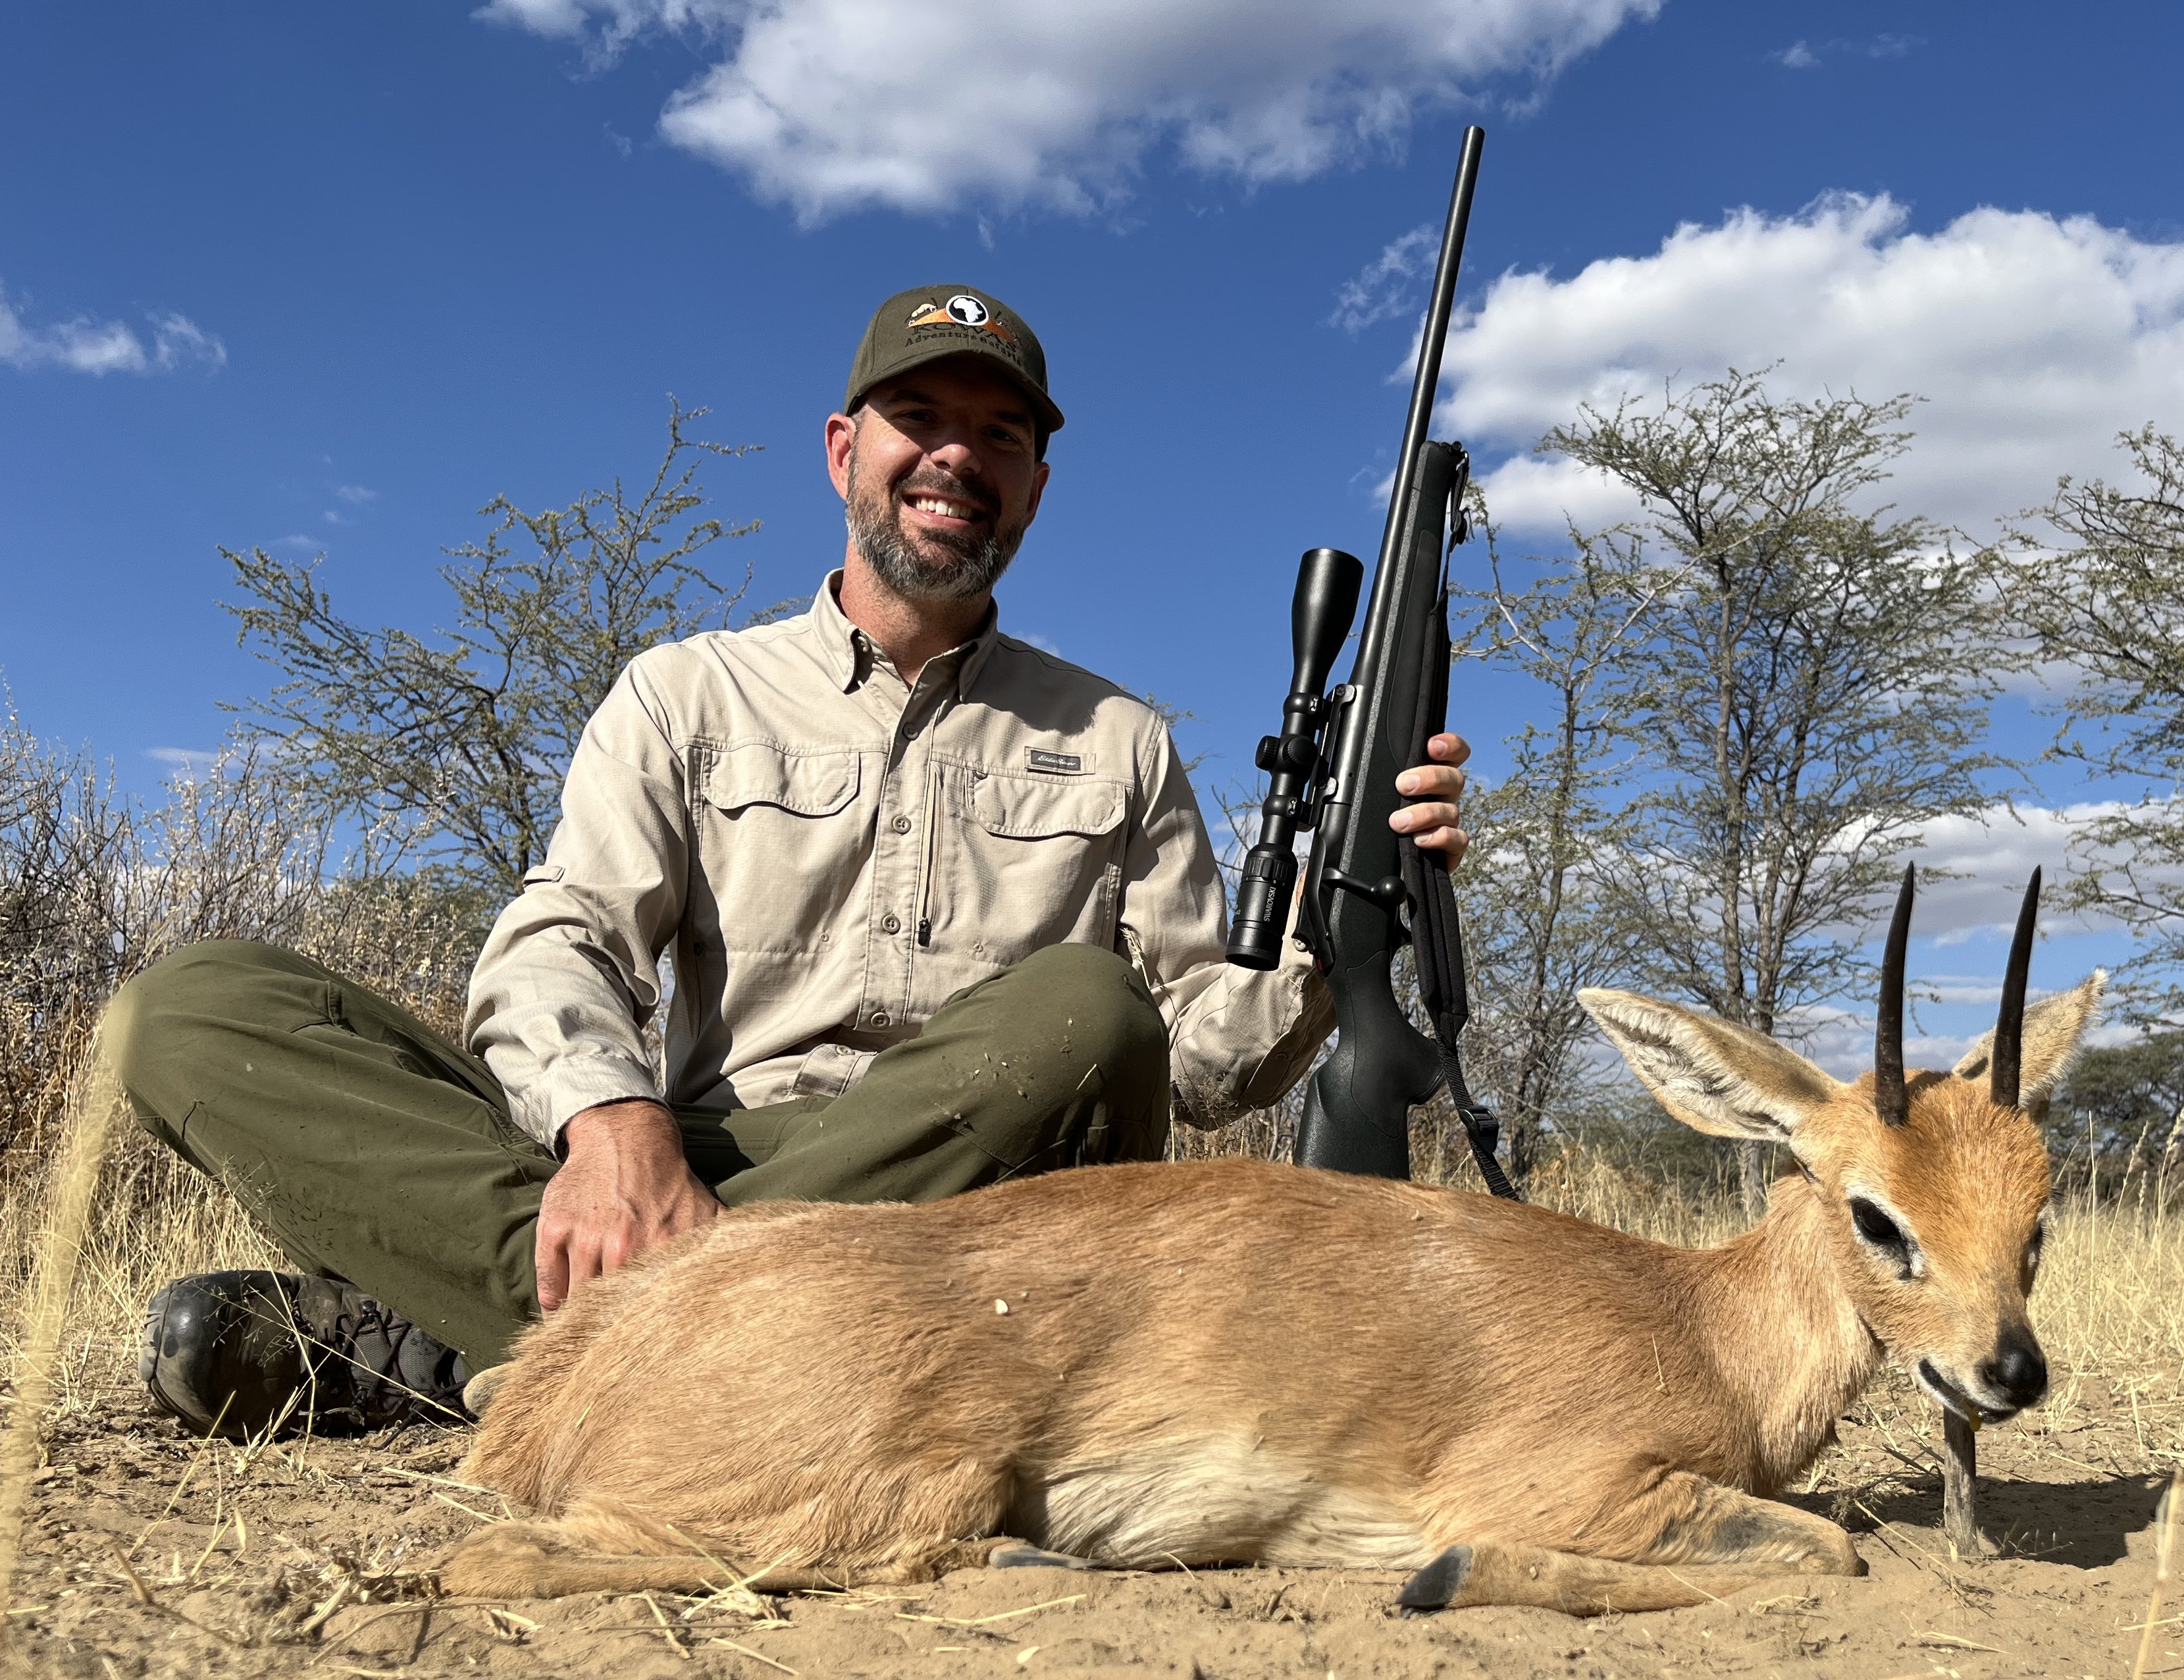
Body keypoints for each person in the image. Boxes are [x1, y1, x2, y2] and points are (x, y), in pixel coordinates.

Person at [111, 284, 1470, 1438]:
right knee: (193, 1008)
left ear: (1038, 488)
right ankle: (672, 1346)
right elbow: (561, 935)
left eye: (998, 435)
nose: (957, 457)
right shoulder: (684, 692)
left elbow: (1195, 1063)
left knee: (1084, 1008)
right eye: (920, 421)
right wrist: (611, 1121)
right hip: (699, 1163)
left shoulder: (1119, 738)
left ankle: (487, 1349)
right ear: (842, 450)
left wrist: (1337, 918)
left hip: (979, 1223)